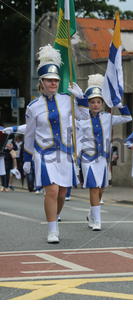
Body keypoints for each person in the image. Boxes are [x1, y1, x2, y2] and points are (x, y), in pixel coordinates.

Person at [23, 44, 90, 243]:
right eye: (49, 80)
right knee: (51, 190)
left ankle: (55, 217)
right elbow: (29, 135)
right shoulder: (33, 107)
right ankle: (52, 230)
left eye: (55, 80)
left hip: (65, 153)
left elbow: (84, 117)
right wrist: (26, 158)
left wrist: (82, 98)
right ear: (41, 82)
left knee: (61, 193)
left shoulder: (66, 100)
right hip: (43, 153)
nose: (53, 83)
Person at [74, 74, 132, 230]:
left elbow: (127, 117)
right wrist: (79, 98)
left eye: (98, 102)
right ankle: (97, 221)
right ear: (88, 104)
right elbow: (74, 115)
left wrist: (118, 103)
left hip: (103, 160)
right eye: (92, 102)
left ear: (103, 104)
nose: (95, 105)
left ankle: (91, 213)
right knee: (94, 187)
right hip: (88, 158)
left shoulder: (108, 117)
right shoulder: (82, 120)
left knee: (100, 189)